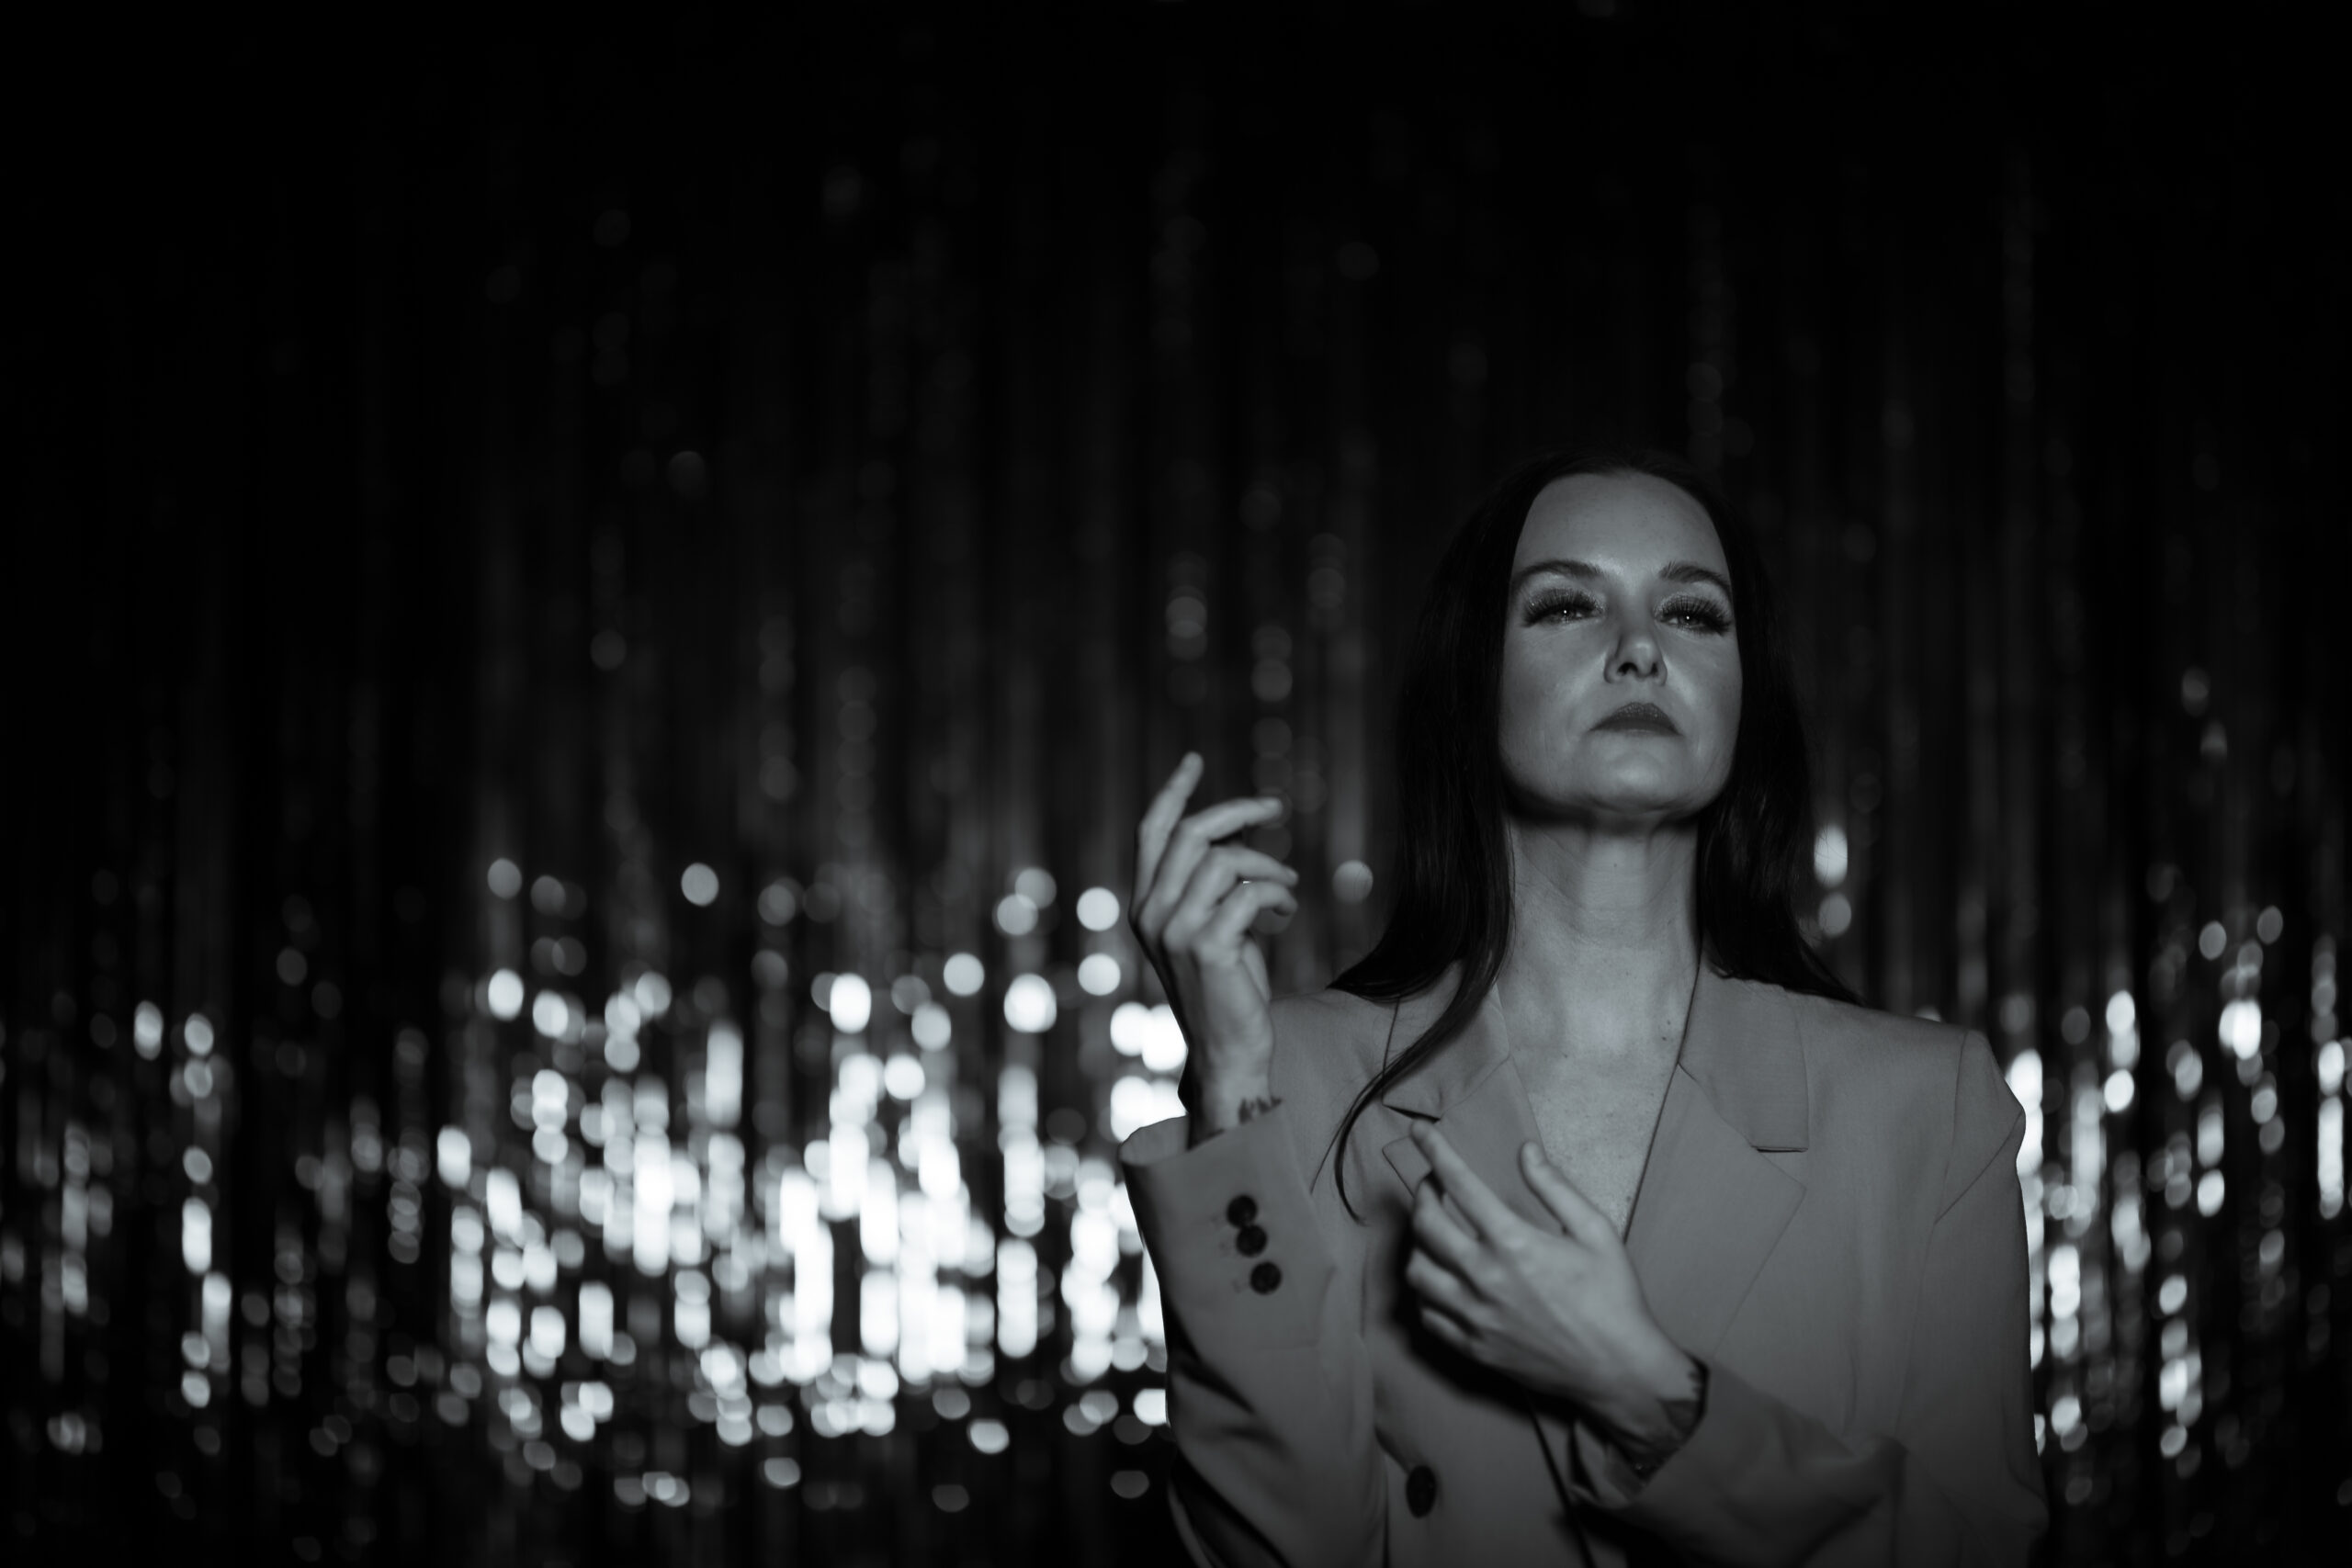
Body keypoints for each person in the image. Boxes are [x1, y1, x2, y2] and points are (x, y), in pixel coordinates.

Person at [1118, 446, 2050, 1565]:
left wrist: (1647, 1392)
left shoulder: (1929, 1109)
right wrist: (1229, 1081)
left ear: (1743, 697)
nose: (1640, 648)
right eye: (1566, 604)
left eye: (1693, 615)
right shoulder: (1294, 1080)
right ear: (1473, 680)